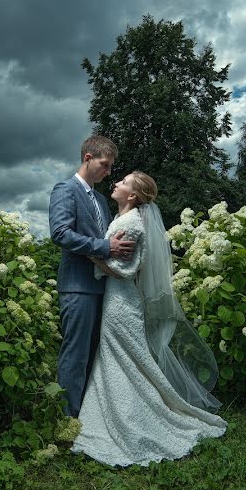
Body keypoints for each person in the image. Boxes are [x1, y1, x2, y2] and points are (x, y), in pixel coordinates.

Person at [71, 171, 227, 467]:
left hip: (121, 302)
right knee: (124, 361)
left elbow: (125, 270)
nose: (115, 183)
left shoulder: (131, 223)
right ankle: (115, 410)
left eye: (123, 182)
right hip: (115, 300)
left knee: (127, 361)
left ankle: (134, 418)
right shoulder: (121, 219)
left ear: (132, 195)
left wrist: (90, 253)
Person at [48, 135, 136, 418]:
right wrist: (105, 247)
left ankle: (89, 416)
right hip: (77, 288)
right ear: (88, 158)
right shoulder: (65, 190)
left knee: (96, 354)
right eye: (105, 165)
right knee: (75, 354)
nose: (109, 172)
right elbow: (60, 234)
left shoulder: (100, 199)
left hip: (104, 288)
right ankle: (66, 420)